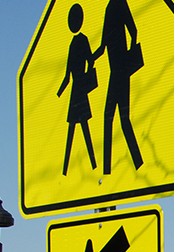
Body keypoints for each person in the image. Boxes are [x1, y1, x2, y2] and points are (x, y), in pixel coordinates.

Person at [93, 0, 143, 175]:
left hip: (120, 71)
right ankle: (113, 169)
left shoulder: (119, 4)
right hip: (115, 72)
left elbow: (134, 30)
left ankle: (136, 164)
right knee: (115, 118)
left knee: (117, 118)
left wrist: (128, 58)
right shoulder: (109, 8)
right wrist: (91, 59)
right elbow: (103, 45)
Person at [56, 3, 98, 176]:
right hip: (77, 89)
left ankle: (92, 165)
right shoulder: (77, 42)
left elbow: (87, 62)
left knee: (79, 129)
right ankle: (69, 169)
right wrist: (58, 93)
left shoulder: (79, 41)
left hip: (77, 90)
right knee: (76, 129)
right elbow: (89, 61)